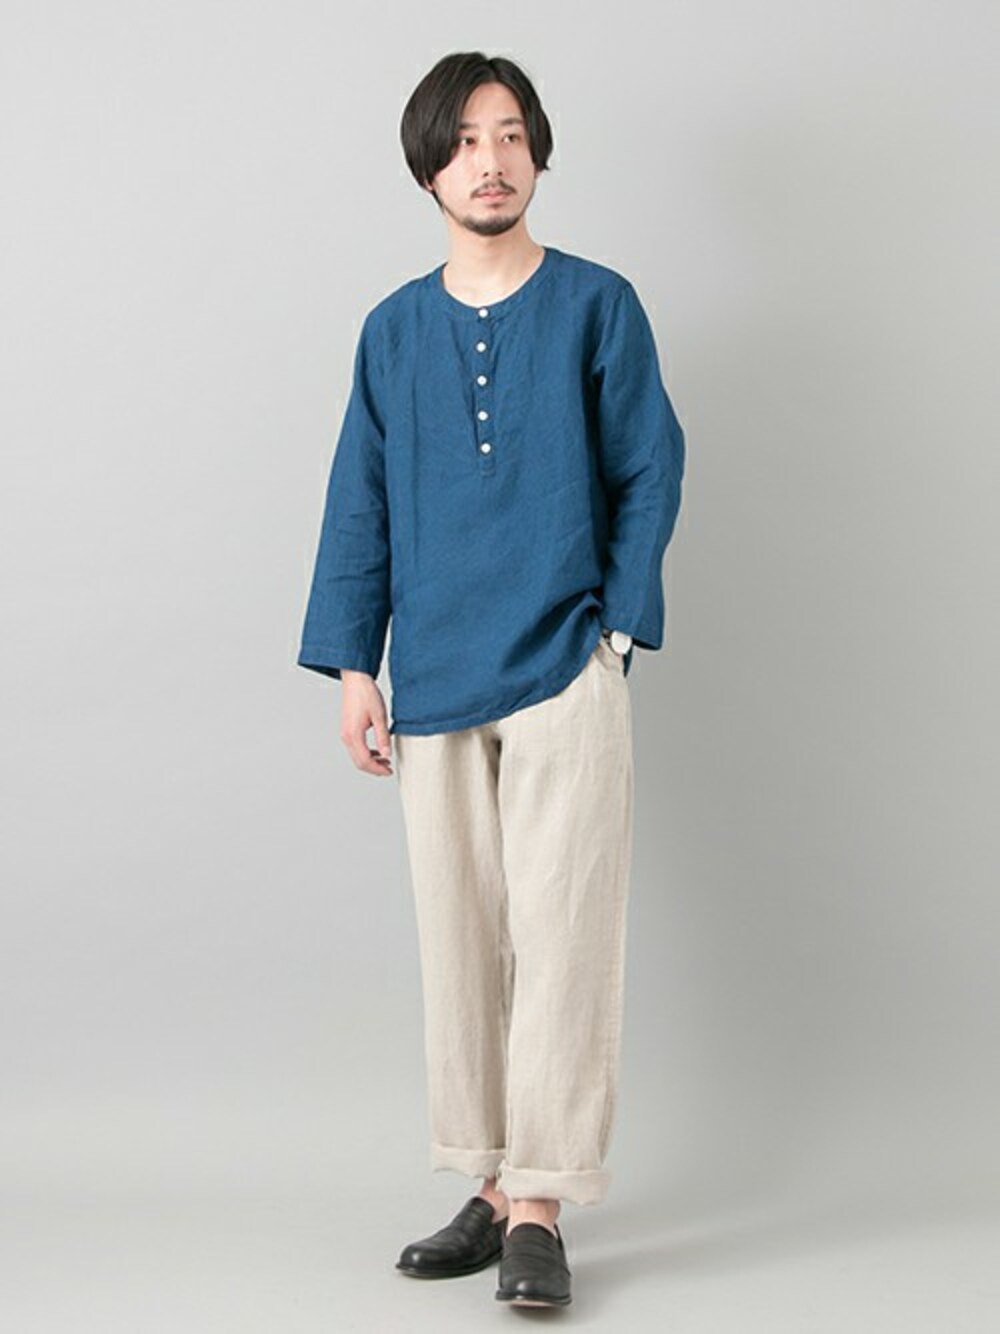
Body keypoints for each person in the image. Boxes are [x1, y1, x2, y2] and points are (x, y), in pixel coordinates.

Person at [297, 50, 685, 1310]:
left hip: (564, 664)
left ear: (538, 154)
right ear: (429, 167)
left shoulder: (595, 305)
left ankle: (540, 1205)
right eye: (465, 140)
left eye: (511, 134)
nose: (491, 160)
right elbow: (359, 500)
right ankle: (484, 1178)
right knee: (461, 940)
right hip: (435, 673)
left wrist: (612, 635)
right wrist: (354, 663)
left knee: (564, 936)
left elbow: (650, 466)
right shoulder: (393, 330)